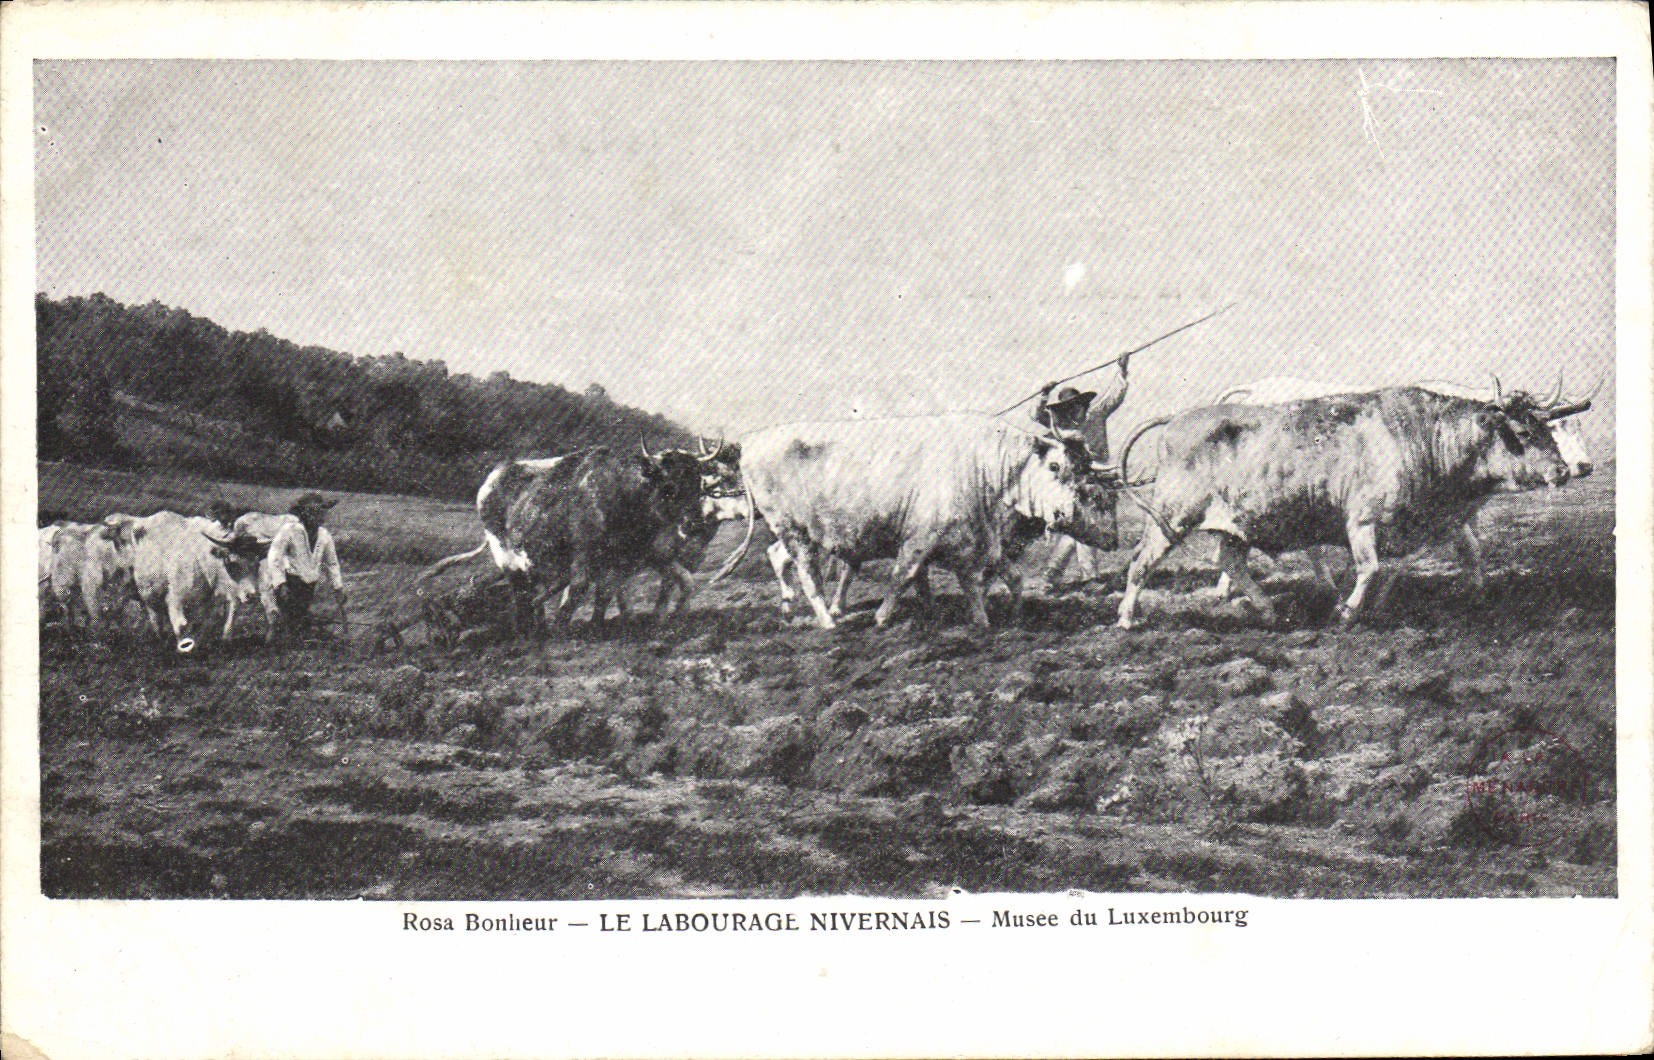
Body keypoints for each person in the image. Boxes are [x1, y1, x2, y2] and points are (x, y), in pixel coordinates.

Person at [1035, 353, 1131, 592]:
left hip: (1099, 480)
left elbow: (1114, 397)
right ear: (1063, 410)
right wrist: (1043, 394)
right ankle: (1087, 576)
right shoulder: (1059, 426)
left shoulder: (1096, 415)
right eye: (1068, 407)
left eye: (1077, 405)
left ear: (1083, 405)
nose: (1074, 410)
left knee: (1083, 529)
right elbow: (1037, 416)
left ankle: (1053, 574)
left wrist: (1122, 371)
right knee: (1082, 527)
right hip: (1074, 483)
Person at [256, 492, 347, 641]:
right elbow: (274, 556)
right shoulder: (290, 530)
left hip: (309, 585)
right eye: (315, 513)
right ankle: (276, 639)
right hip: (290, 583)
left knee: (299, 618)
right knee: (284, 619)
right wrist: (280, 583)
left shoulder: (324, 535)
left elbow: (331, 563)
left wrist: (338, 587)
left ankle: (296, 635)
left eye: (322, 513)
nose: (320, 517)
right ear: (305, 514)